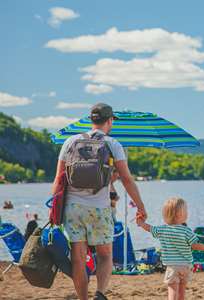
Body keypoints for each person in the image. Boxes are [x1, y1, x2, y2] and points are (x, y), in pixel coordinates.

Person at [52, 103, 146, 300]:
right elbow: (127, 179)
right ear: (109, 120)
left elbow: (58, 178)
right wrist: (140, 206)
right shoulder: (112, 144)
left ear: (91, 120)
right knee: (105, 255)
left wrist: (54, 209)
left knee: (78, 259)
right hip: (99, 208)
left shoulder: (70, 142)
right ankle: (100, 294)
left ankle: (83, 299)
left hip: (72, 207)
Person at [136, 197, 204, 300]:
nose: (187, 213)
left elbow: (149, 228)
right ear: (180, 214)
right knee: (181, 293)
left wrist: (140, 223)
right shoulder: (186, 231)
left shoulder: (162, 229)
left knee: (172, 293)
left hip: (173, 267)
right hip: (186, 267)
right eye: (186, 211)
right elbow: (196, 246)